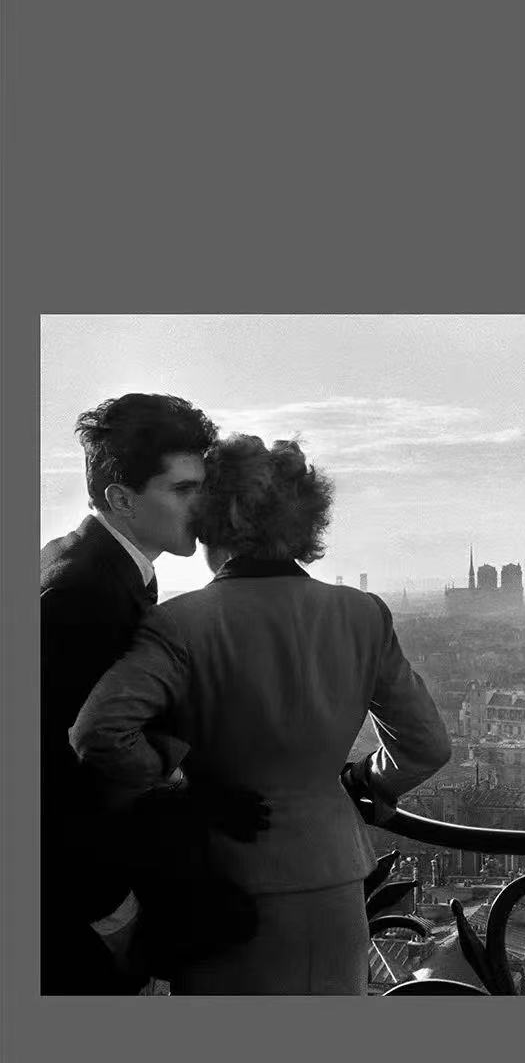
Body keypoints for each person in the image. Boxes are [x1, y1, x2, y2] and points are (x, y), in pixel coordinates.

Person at [71, 436, 453, 995]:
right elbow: (427, 745)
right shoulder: (362, 614)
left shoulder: (182, 622)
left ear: (211, 520)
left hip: (225, 884)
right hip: (336, 876)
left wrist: (174, 777)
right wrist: (362, 781)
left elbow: (99, 733)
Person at [40, 393, 218, 993]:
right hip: (77, 909)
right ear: (121, 499)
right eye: (183, 489)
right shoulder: (82, 594)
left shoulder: (90, 564)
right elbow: (54, 774)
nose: (202, 506)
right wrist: (112, 912)